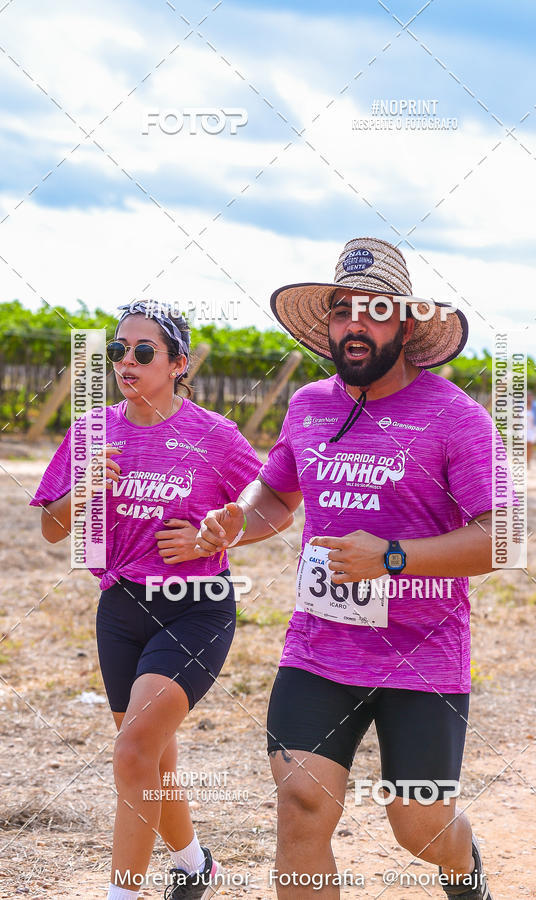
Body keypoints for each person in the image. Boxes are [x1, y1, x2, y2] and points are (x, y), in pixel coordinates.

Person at [195, 238, 509, 899]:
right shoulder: (309, 404)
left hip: (423, 653)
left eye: (372, 310)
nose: (354, 325)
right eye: (342, 310)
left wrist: (392, 558)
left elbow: (501, 538)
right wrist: (234, 521)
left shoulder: (457, 419)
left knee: (416, 824)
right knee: (302, 806)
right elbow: (276, 495)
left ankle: (463, 863)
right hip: (319, 648)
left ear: (405, 323)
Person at [30, 300, 292, 900]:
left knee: (133, 750)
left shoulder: (213, 435)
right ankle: (196, 865)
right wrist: (84, 491)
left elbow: (271, 508)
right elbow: (51, 527)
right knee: (153, 759)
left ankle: (123, 894)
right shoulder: (93, 430)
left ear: (177, 363)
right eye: (118, 350)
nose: (127, 360)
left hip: (195, 605)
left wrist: (216, 532)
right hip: (120, 608)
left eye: (143, 351)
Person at [527, 393, 536, 466]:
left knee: (529, 445)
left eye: (530, 396)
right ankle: (525, 460)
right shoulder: (520, 406)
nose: (529, 398)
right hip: (522, 429)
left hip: (533, 429)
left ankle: (528, 462)